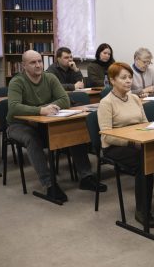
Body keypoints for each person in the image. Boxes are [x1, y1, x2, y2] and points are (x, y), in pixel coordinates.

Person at [7, 50, 107, 202]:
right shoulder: (17, 81)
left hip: (45, 121)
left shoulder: (50, 77)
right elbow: (14, 107)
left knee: (71, 130)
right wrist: (40, 110)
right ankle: (49, 184)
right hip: (19, 124)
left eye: (39, 61)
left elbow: (64, 100)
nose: (38, 65)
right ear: (24, 65)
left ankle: (86, 177)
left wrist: (45, 108)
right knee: (31, 138)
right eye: (33, 62)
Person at [97, 62, 154, 228]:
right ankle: (142, 210)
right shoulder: (106, 103)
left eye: (130, 77)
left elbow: (145, 123)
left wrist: (150, 134)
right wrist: (132, 142)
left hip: (138, 142)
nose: (128, 81)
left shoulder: (134, 98)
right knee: (144, 161)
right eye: (123, 78)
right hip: (115, 147)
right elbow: (106, 135)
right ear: (112, 80)